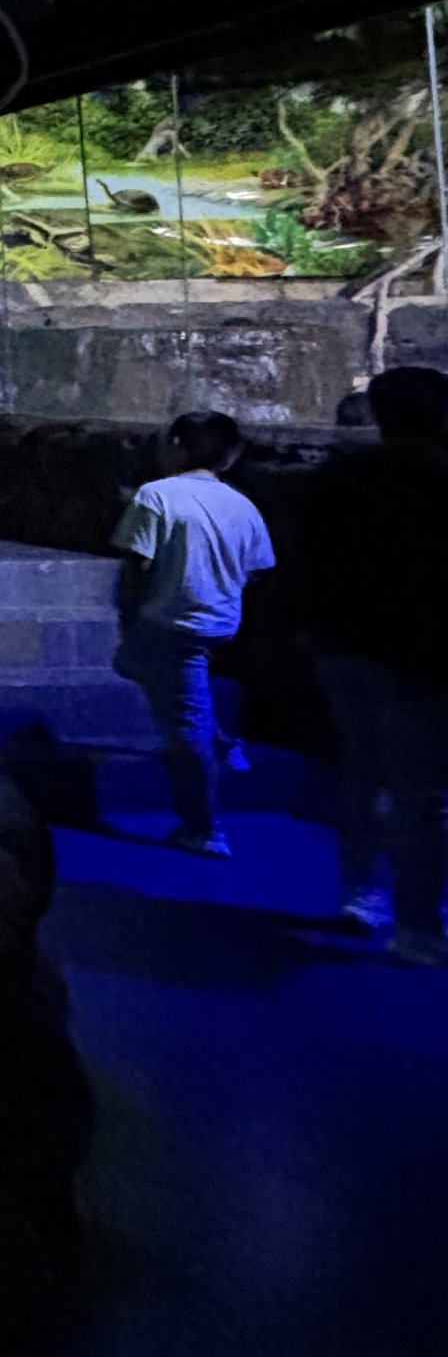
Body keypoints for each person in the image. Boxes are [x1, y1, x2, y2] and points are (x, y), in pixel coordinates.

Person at [300, 365, 448, 966]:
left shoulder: (338, 477)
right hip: (416, 656)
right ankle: (416, 926)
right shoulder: (440, 482)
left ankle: (359, 894)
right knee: (422, 795)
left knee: (361, 771)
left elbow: (307, 560)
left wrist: (308, 633)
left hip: (341, 649)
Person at [111, 410, 274, 858]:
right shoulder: (242, 504)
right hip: (220, 622)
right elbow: (258, 569)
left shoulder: (157, 496)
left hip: (170, 622)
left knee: (184, 728)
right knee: (152, 677)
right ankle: (222, 737)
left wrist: (129, 614)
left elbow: (136, 565)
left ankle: (206, 828)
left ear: (177, 445)